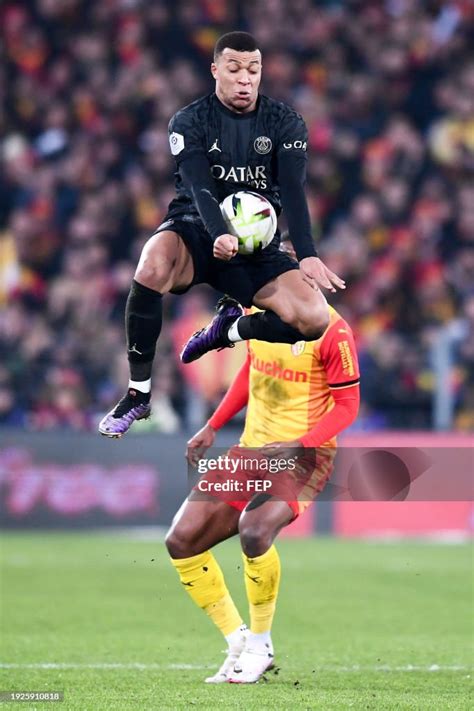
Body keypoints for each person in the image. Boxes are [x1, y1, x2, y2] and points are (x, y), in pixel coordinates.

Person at [99, 31, 344, 438]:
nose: (245, 78)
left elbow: (295, 190)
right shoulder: (189, 121)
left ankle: (228, 329)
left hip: (256, 245)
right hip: (196, 230)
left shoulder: (285, 122)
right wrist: (217, 231)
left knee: (313, 320)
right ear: (216, 71)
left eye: (253, 69)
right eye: (234, 69)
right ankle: (138, 395)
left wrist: (308, 252)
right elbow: (198, 185)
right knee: (152, 262)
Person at [165, 250, 360, 684]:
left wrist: (299, 444)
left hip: (305, 456)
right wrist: (213, 425)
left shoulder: (333, 332)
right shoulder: (258, 316)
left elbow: (348, 407)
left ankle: (259, 642)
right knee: (181, 540)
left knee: (255, 530)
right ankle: (235, 641)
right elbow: (252, 368)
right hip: (251, 449)